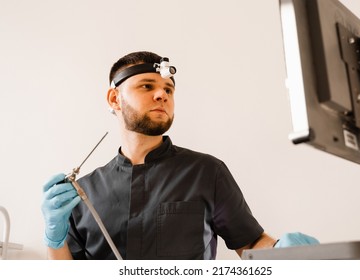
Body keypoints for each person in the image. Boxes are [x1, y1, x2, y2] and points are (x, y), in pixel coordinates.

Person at [41, 51, 319, 260]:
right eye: (147, 86)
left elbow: (250, 243)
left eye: (169, 89)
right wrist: (55, 241)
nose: (162, 94)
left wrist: (282, 253)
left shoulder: (207, 172)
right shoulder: (82, 191)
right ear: (114, 99)